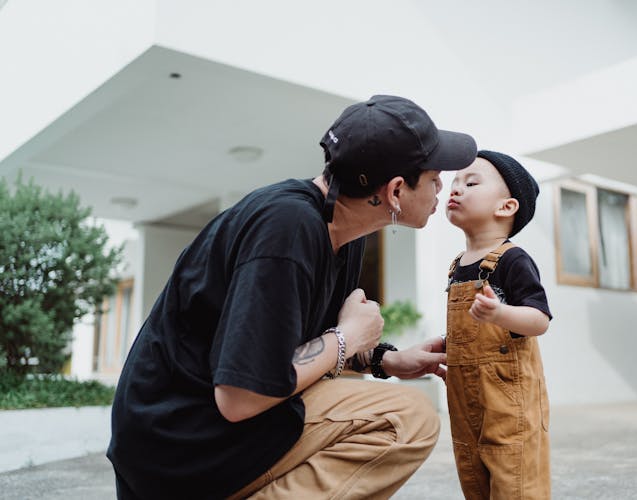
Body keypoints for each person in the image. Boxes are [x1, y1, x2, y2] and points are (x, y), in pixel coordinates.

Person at [106, 94, 477, 499]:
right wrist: (349, 335)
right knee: (406, 418)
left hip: (209, 430)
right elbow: (241, 397)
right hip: (179, 444)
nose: (443, 185)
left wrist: (386, 359)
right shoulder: (287, 229)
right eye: (435, 176)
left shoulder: (342, 231)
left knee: (392, 407)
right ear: (395, 191)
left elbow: (297, 346)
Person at [443, 150, 552, 499]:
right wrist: (450, 345)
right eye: (454, 183)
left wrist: (500, 314)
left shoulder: (512, 258)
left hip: (508, 394)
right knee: (472, 467)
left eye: (471, 183)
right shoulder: (457, 265)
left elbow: (539, 320)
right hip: (464, 394)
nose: (456, 188)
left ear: (506, 207)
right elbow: (470, 327)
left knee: (513, 470)